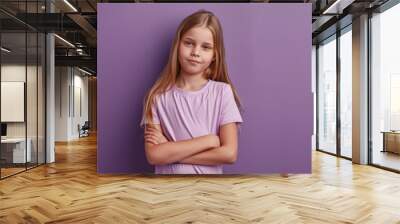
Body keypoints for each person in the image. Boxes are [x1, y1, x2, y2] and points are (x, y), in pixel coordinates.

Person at [140, 9, 243, 174]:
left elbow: (229, 154)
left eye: (206, 47)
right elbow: (154, 155)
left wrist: (170, 152)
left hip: (209, 192)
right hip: (167, 193)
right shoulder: (157, 96)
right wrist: (209, 140)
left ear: (214, 55)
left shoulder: (222, 92)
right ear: (177, 45)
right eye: (189, 43)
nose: (195, 52)